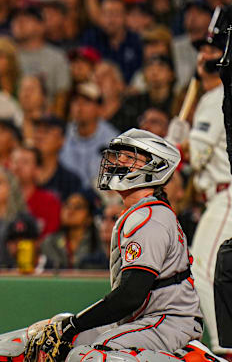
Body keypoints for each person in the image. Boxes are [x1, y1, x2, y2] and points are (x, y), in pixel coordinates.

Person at [33, 129, 202, 361]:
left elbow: (131, 295)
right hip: (148, 319)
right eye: (118, 154)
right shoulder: (141, 211)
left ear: (155, 166)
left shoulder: (150, 217)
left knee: (91, 355)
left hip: (169, 321)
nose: (119, 160)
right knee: (51, 338)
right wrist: (70, 328)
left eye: (131, 156)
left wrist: (74, 324)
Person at [168, 12, 232, 356]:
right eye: (202, 50)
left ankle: (223, 348)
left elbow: (198, 155)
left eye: (214, 49)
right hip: (218, 194)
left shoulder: (217, 94)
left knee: (204, 268)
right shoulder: (216, 95)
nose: (205, 56)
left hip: (227, 195)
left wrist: (173, 145)